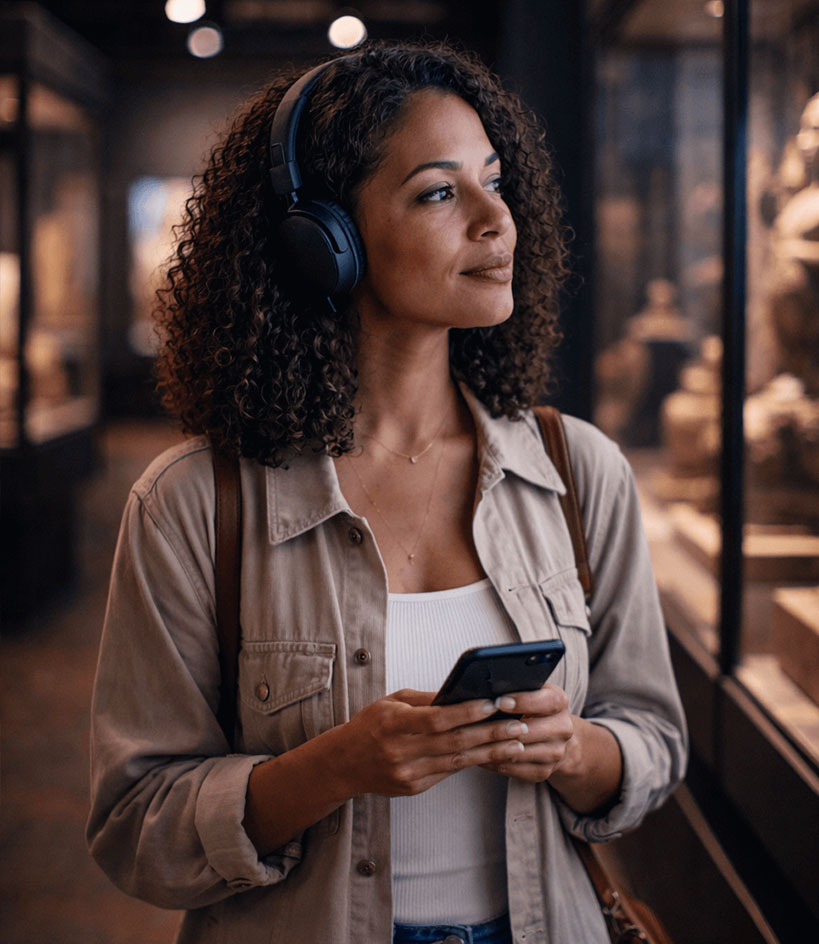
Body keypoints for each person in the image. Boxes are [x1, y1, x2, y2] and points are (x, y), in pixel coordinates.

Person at [87, 41, 687, 944]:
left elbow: (650, 738)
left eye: (494, 179)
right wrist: (331, 768)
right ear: (323, 240)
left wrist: (574, 751)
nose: (497, 220)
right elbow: (136, 829)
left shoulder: (576, 470)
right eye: (440, 192)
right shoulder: (193, 505)